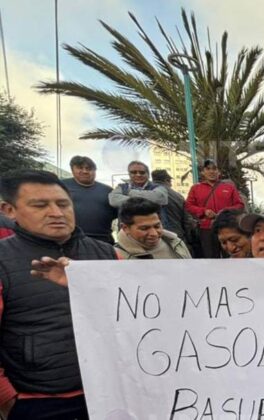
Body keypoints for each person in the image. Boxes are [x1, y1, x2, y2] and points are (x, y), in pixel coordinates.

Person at [0, 169, 118, 419]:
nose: (56, 213)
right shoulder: (3, 260)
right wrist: (7, 399)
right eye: (40, 205)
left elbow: (132, 313)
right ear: (9, 210)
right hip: (39, 400)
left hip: (111, 392)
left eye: (63, 204)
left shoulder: (106, 253)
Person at [185, 159, 245, 258]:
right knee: (210, 258)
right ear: (203, 172)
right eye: (208, 169)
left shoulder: (229, 187)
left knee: (231, 256)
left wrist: (225, 211)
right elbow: (188, 206)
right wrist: (204, 211)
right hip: (206, 229)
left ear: (219, 172)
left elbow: (240, 205)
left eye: (214, 169)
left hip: (227, 228)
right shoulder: (195, 188)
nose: (211, 171)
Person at [63, 156, 118, 244]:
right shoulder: (61, 187)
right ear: (72, 170)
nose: (85, 171)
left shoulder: (107, 191)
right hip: (69, 240)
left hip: (102, 241)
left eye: (89, 168)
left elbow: (120, 215)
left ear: (94, 171)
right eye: (80, 168)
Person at [114, 198, 191, 260]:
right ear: (125, 228)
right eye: (144, 228)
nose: (154, 233)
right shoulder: (116, 257)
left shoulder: (176, 243)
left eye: (157, 226)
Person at [109, 161, 169, 227]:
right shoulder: (121, 187)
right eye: (134, 172)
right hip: (128, 231)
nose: (138, 175)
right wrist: (148, 200)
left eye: (142, 172)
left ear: (148, 174)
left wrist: (129, 193)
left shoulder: (158, 187)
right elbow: (113, 201)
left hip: (153, 230)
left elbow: (160, 198)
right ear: (129, 174)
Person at [151, 169, 195, 242]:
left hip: (153, 236)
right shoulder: (178, 196)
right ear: (167, 180)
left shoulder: (146, 194)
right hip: (176, 235)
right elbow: (187, 220)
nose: (171, 184)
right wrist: (189, 238)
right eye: (170, 181)